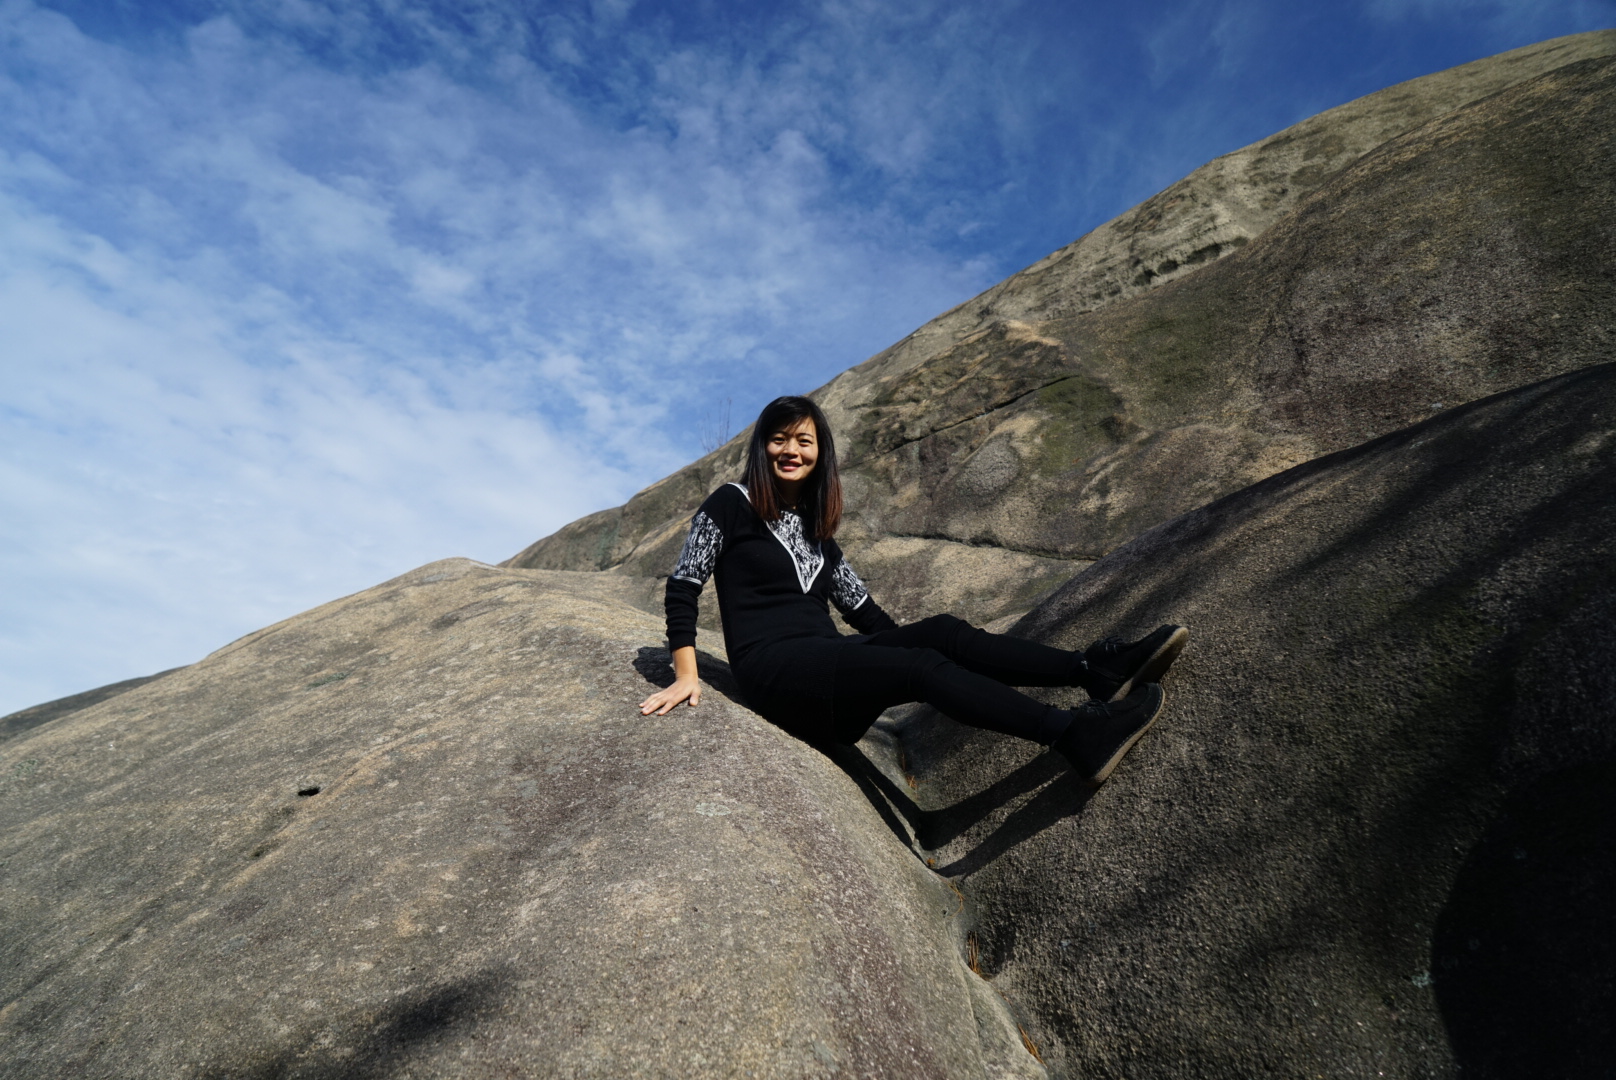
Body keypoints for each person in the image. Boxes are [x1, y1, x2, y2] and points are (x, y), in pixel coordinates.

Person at [638, 395, 1186, 784]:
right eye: (779, 439)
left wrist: (916, 647)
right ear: (762, 447)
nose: (791, 450)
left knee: (941, 633)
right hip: (778, 673)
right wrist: (686, 674)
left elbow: (870, 617)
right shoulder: (731, 502)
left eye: (803, 441)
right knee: (919, 668)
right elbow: (683, 586)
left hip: (829, 663)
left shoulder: (818, 536)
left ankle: (1092, 672)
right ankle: (1075, 737)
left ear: (819, 454)